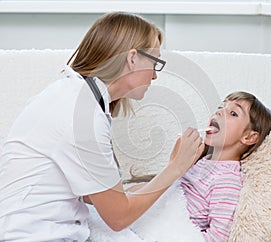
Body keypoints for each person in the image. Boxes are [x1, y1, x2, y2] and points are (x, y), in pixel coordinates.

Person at [0, 12, 203, 241]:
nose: (155, 75)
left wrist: (168, 173)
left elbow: (101, 195)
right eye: (155, 62)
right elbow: (118, 217)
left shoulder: (76, 98)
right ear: (133, 58)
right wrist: (175, 168)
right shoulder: (82, 116)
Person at [181, 91, 271, 242]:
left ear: (249, 137)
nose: (219, 111)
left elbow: (217, 237)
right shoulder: (203, 160)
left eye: (233, 113)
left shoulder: (227, 179)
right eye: (221, 106)